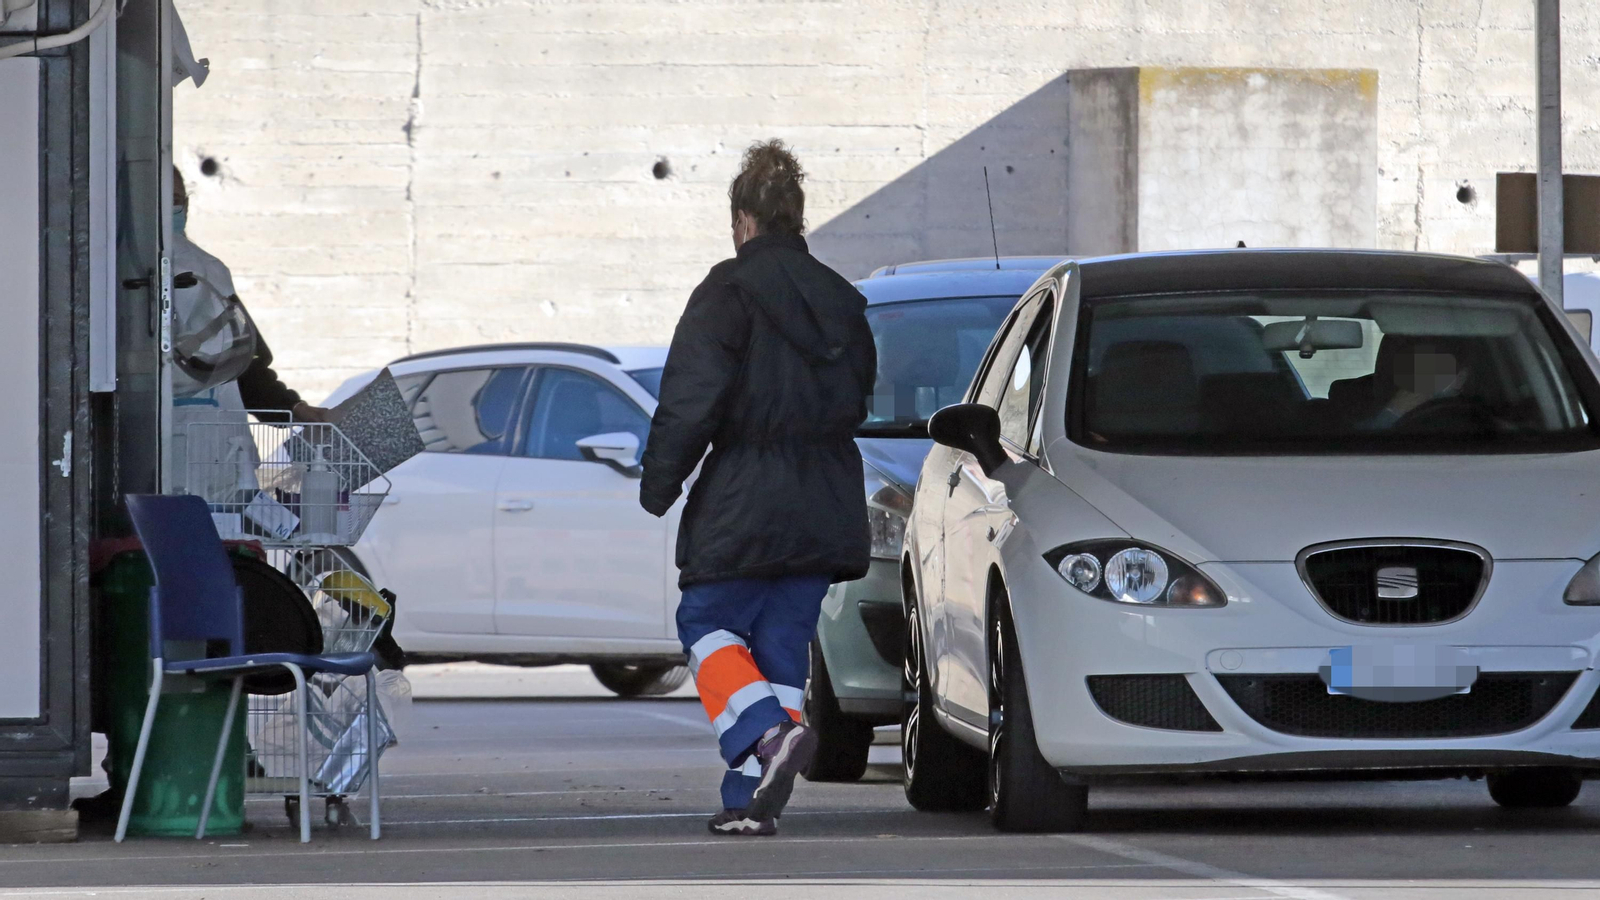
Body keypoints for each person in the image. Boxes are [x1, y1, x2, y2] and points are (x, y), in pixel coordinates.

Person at [639, 140, 876, 837]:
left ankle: (768, 738)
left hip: (746, 493)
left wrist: (661, 480)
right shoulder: (844, 300)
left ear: (744, 219)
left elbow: (691, 400)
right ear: (795, 219)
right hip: (827, 497)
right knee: (780, 647)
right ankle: (747, 800)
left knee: (706, 624)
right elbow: (860, 397)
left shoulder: (726, 292)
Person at [170, 166, 329, 424]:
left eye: (176, 200)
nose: (169, 208)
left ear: (187, 205)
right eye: (161, 199)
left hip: (215, 429)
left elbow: (244, 361)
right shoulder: (120, 270)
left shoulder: (206, 268)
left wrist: (292, 407)